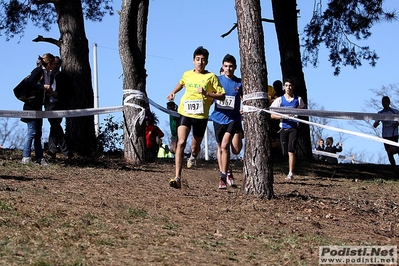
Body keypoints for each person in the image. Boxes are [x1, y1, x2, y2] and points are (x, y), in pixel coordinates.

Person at [167, 46, 226, 189]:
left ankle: (193, 155)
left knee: (195, 146)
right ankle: (177, 177)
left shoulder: (211, 77)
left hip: (200, 116)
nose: (200, 62)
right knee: (181, 143)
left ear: (207, 62)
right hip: (185, 113)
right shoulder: (187, 74)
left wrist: (206, 93)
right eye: (198, 59)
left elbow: (222, 96)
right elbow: (181, 83)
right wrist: (173, 93)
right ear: (193, 61)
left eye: (203, 60)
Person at [210, 54, 243, 189]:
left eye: (230, 66)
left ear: (235, 67)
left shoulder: (239, 82)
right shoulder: (216, 80)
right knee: (222, 147)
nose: (228, 69)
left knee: (233, 149)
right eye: (226, 66)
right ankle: (224, 175)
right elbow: (210, 96)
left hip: (233, 119)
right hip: (218, 118)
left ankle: (225, 174)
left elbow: (244, 98)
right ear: (222, 67)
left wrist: (244, 108)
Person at [21, 53, 56, 166]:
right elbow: (30, 83)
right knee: (32, 131)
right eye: (53, 64)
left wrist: (50, 92)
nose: (55, 66)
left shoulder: (49, 75)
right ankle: (26, 157)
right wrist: (43, 87)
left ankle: (39, 158)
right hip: (31, 105)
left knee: (38, 133)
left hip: (38, 105)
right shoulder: (38, 71)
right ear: (49, 63)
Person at [270, 78, 305, 180]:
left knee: (291, 149)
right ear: (284, 87)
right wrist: (282, 116)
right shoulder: (279, 100)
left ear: (293, 87)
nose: (288, 88)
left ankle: (291, 172)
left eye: (290, 85)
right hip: (283, 128)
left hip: (294, 128)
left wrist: (297, 114)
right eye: (286, 85)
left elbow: (303, 109)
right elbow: (272, 115)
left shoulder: (298, 100)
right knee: (284, 150)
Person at [45, 56, 73, 161]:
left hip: (60, 105)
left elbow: (69, 92)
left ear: (60, 65)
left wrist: (58, 95)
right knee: (55, 126)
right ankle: (66, 152)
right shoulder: (47, 76)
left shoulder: (65, 77)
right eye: (54, 64)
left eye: (57, 64)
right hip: (49, 105)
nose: (55, 66)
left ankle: (52, 150)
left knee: (55, 125)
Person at [373, 96, 399, 170]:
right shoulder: (380, 113)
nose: (384, 103)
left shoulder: (395, 112)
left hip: (393, 134)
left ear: (389, 102)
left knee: (394, 150)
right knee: (389, 153)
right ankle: (395, 170)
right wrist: (376, 124)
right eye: (383, 102)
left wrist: (397, 124)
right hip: (385, 135)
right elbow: (375, 124)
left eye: (386, 101)